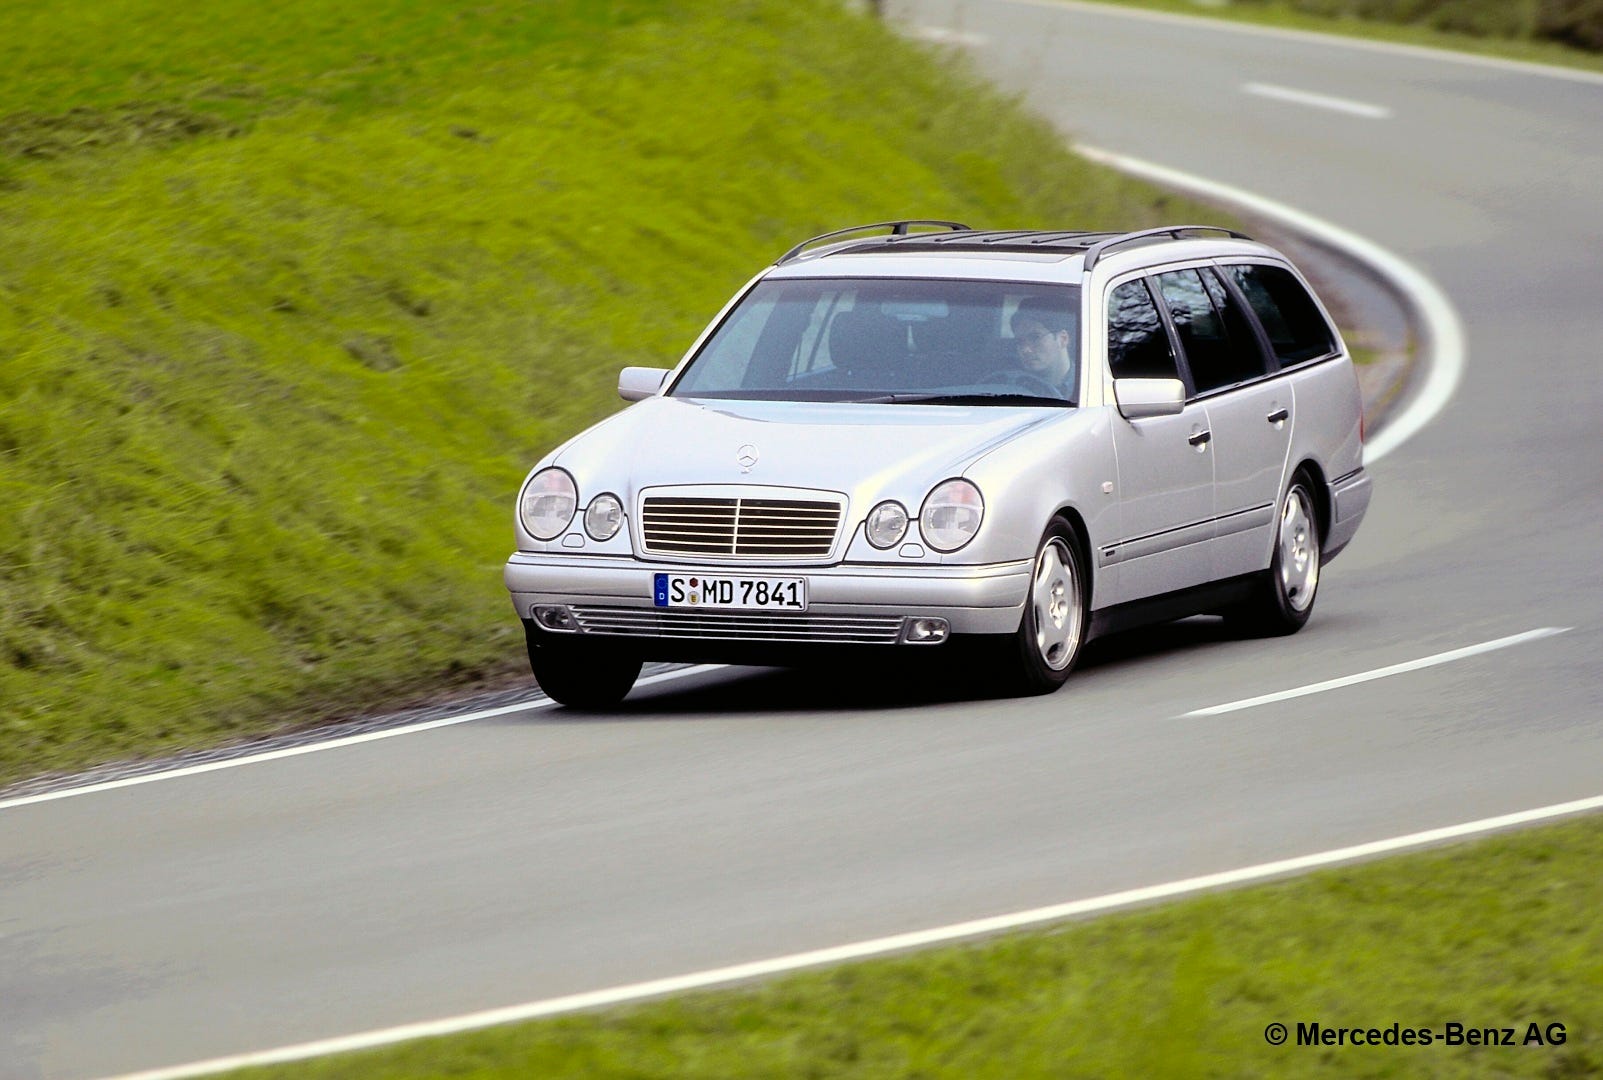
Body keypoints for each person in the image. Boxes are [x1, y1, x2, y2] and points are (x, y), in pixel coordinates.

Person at [1009, 296, 1079, 400]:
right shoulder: (1009, 386)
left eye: (1035, 338)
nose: (1025, 349)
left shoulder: (1087, 385)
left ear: (1063, 339)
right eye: (1019, 341)